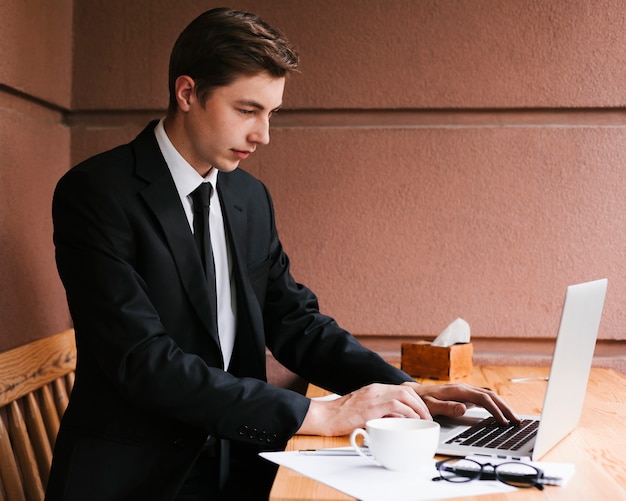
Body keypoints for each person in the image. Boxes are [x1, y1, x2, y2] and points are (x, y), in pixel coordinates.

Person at [46, 7, 519, 501]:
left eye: (271, 114)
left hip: (243, 461)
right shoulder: (96, 193)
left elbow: (295, 321)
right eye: (247, 110)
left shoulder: (248, 197)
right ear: (187, 93)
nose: (263, 135)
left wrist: (405, 391)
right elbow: (144, 362)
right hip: (137, 478)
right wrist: (320, 413)